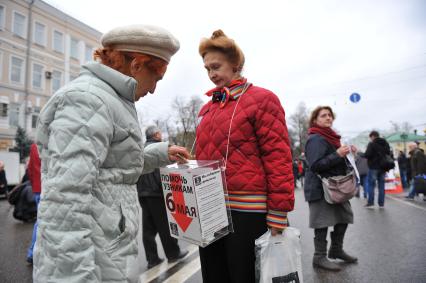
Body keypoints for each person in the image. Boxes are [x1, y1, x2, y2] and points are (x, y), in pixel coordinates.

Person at [33, 25, 190, 283]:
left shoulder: (109, 99)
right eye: (157, 78)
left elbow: (115, 167)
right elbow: (65, 200)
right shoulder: (88, 100)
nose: (153, 90)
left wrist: (162, 153)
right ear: (137, 65)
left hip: (107, 251)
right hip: (92, 262)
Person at [195, 30, 294, 283]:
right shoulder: (209, 108)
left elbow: (278, 157)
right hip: (211, 209)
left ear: (236, 64)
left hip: (248, 211)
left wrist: (278, 211)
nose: (211, 74)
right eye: (207, 68)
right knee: (215, 275)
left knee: (245, 276)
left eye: (216, 66)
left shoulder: (262, 99)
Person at [304, 106, 357, 271]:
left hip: (336, 186)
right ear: (315, 120)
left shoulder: (332, 138)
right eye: (323, 115)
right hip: (321, 188)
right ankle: (319, 257)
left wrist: (349, 154)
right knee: (322, 222)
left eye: (330, 115)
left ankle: (336, 249)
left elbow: (335, 161)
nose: (328, 118)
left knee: (344, 217)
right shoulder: (315, 139)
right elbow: (315, 165)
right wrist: (338, 154)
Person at [137, 126, 188, 269]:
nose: (161, 134)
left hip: (142, 193)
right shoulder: (158, 149)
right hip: (156, 193)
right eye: (159, 132)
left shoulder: (142, 148)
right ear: (156, 135)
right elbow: (160, 172)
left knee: (148, 228)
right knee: (165, 225)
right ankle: (173, 254)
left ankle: (152, 259)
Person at [363, 130, 392, 208]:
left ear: (372, 136)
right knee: (381, 186)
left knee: (371, 185)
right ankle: (381, 204)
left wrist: (361, 154)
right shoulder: (385, 143)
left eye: (370, 137)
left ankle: (371, 203)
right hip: (383, 167)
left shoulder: (372, 144)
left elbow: (367, 155)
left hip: (373, 167)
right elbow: (389, 153)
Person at [26, 143, 41, 264]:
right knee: (41, 222)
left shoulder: (34, 147)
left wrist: (34, 184)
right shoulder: (50, 143)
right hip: (47, 187)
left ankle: (32, 252)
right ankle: (32, 252)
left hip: (37, 188)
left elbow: (30, 169)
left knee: (40, 221)